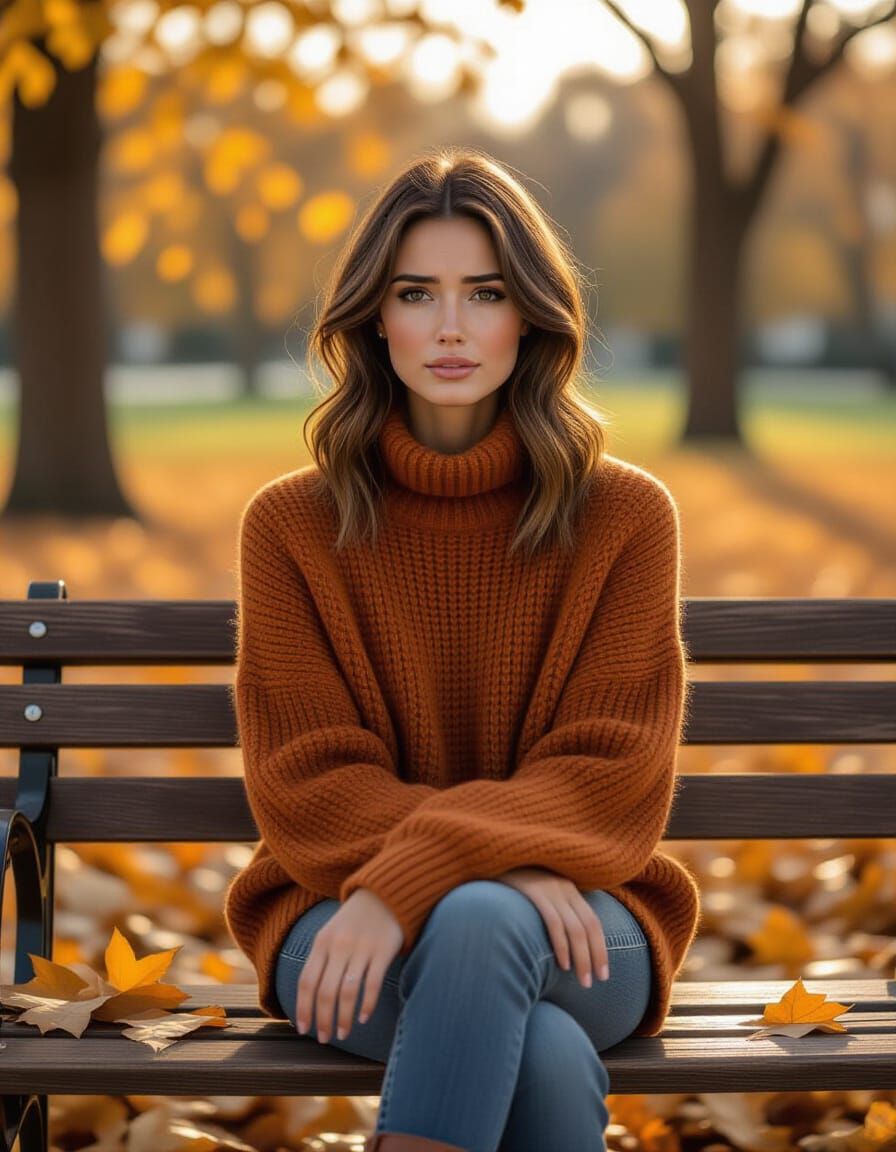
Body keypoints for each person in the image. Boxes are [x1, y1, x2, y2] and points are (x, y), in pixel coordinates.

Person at [224, 146, 701, 1152]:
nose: (449, 327)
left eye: (482, 292)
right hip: (335, 914)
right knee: (542, 1058)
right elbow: (310, 782)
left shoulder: (622, 516)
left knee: (485, 922)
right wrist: (491, 868)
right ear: (373, 317)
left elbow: (607, 773)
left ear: (527, 313)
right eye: (415, 293)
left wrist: (454, 877)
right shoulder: (290, 526)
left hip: (582, 925)